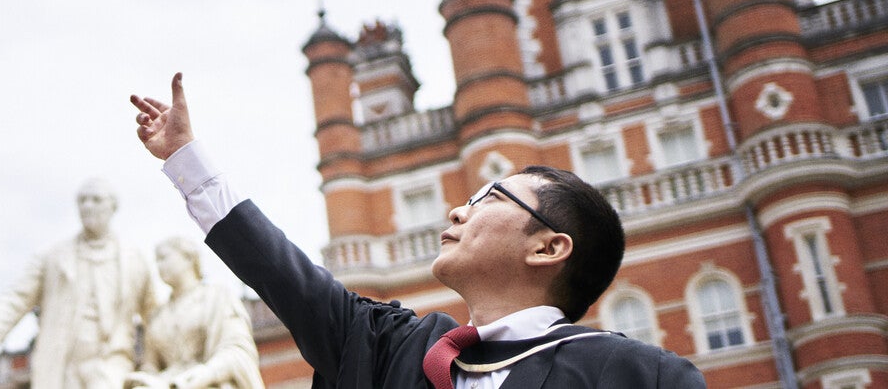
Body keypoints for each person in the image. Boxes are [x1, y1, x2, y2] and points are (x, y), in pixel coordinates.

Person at [128, 73, 704, 388]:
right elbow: (283, 275)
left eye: (487, 200)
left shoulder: (639, 378)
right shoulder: (392, 349)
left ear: (549, 247)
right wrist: (185, 159)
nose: (456, 212)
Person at [0, 178, 160, 389]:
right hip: (62, 360)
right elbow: (17, 298)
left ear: (112, 207)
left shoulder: (134, 260)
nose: (87, 206)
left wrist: (156, 365)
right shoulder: (53, 257)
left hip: (111, 360)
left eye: (96, 200)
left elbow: (155, 316)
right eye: (82, 200)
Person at [129, 236, 266, 389]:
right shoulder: (157, 316)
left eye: (164, 258)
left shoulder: (217, 297)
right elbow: (150, 366)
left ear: (188, 258)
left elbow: (237, 348)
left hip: (209, 379)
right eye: (156, 261)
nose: (159, 266)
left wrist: (208, 372)